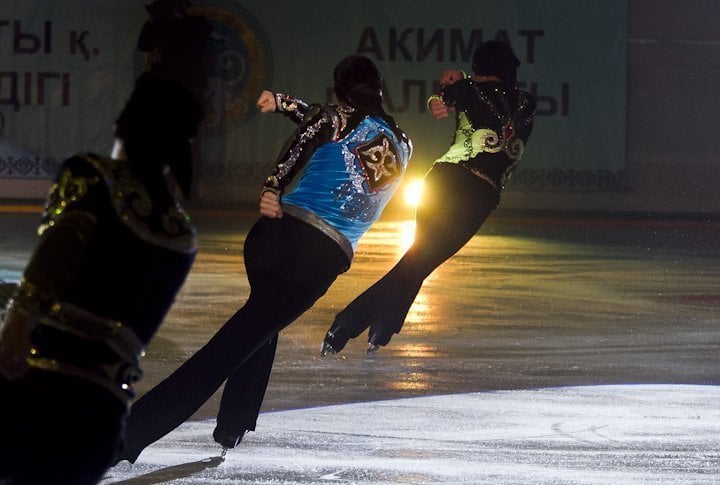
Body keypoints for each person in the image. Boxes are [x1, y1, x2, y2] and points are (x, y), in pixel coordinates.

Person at [113, 54, 412, 463]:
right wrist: (274, 179)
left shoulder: (336, 117)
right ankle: (127, 436)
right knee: (230, 347)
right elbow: (314, 127)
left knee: (260, 322)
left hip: (272, 238)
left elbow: (314, 123)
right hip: (315, 258)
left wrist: (283, 117)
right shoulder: (404, 144)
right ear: (379, 88)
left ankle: (234, 423)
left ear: (340, 89)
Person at [0, 73, 203, 484]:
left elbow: (58, 251)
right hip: (100, 420)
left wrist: (18, 319)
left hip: (32, 391)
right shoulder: (181, 235)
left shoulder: (91, 175)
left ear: (120, 124)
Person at [321, 40, 536, 355]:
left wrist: (446, 92)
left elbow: (446, 97)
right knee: (417, 262)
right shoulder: (526, 102)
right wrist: (451, 88)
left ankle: (382, 328)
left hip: (439, 182)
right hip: (474, 195)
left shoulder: (467, 90)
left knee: (417, 260)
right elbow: (457, 94)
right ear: (509, 69)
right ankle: (348, 323)